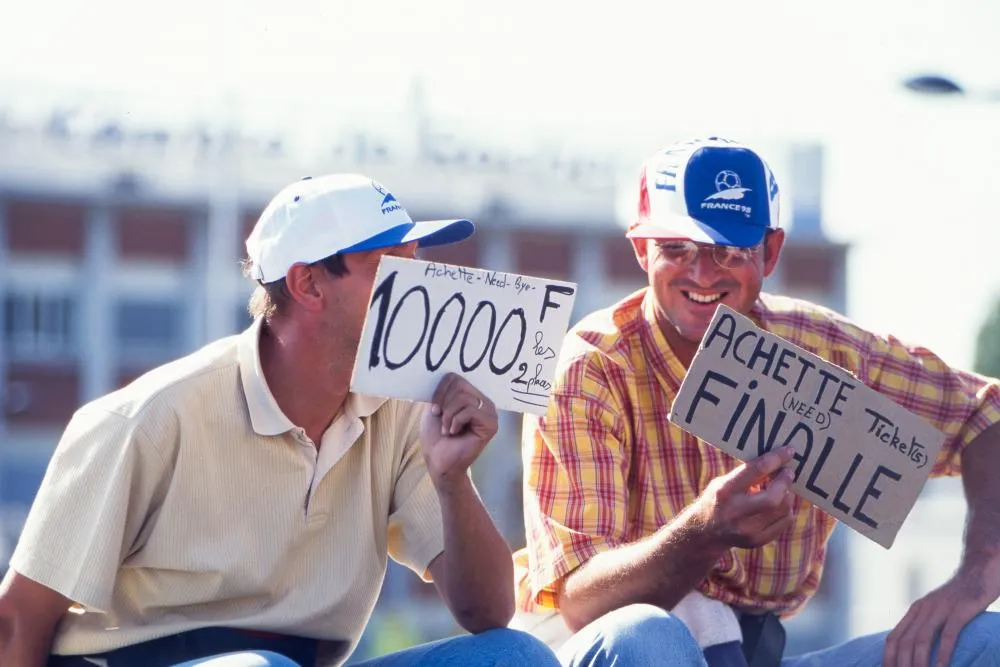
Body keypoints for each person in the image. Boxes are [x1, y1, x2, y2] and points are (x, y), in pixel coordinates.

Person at [0, 173, 560, 667]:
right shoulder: (148, 418)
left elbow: (488, 611)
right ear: (307, 285)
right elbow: (17, 620)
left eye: (414, 265)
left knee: (516, 655)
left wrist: (452, 479)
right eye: (389, 267)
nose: (416, 289)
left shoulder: (405, 411)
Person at [512, 137, 1000, 667]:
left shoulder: (820, 348)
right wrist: (704, 531)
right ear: (640, 250)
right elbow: (582, 602)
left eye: (729, 249)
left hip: (757, 655)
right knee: (644, 634)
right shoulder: (592, 365)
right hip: (618, 648)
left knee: (984, 642)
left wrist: (975, 578)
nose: (702, 273)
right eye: (677, 248)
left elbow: (986, 412)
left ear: (770, 252)